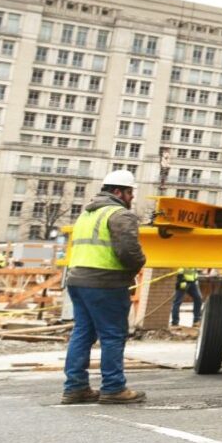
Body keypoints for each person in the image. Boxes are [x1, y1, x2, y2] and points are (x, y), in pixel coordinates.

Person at [62, 169, 148, 405]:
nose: (131, 198)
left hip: (78, 280)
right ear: (119, 191)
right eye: (130, 193)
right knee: (112, 335)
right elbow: (128, 252)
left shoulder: (86, 215)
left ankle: (75, 388)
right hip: (105, 282)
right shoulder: (119, 215)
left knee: (82, 334)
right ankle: (113, 387)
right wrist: (138, 266)